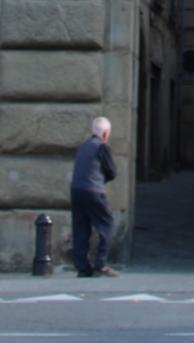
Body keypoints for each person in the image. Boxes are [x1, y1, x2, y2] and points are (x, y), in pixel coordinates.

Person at [69, 116, 119, 278]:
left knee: (81, 226)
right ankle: (100, 264)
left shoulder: (83, 147)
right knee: (107, 224)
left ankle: (82, 267)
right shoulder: (102, 147)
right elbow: (111, 171)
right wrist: (102, 179)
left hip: (76, 189)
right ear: (105, 133)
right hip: (93, 190)